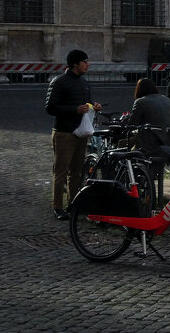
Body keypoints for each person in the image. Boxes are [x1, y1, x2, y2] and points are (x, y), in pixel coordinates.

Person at [45, 49, 97, 220]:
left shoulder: (84, 82)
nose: (88, 64)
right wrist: (74, 110)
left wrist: (93, 106)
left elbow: (86, 103)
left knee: (76, 172)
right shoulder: (59, 81)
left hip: (80, 132)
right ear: (76, 64)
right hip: (64, 132)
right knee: (60, 171)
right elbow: (50, 107)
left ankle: (73, 205)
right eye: (85, 61)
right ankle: (57, 207)